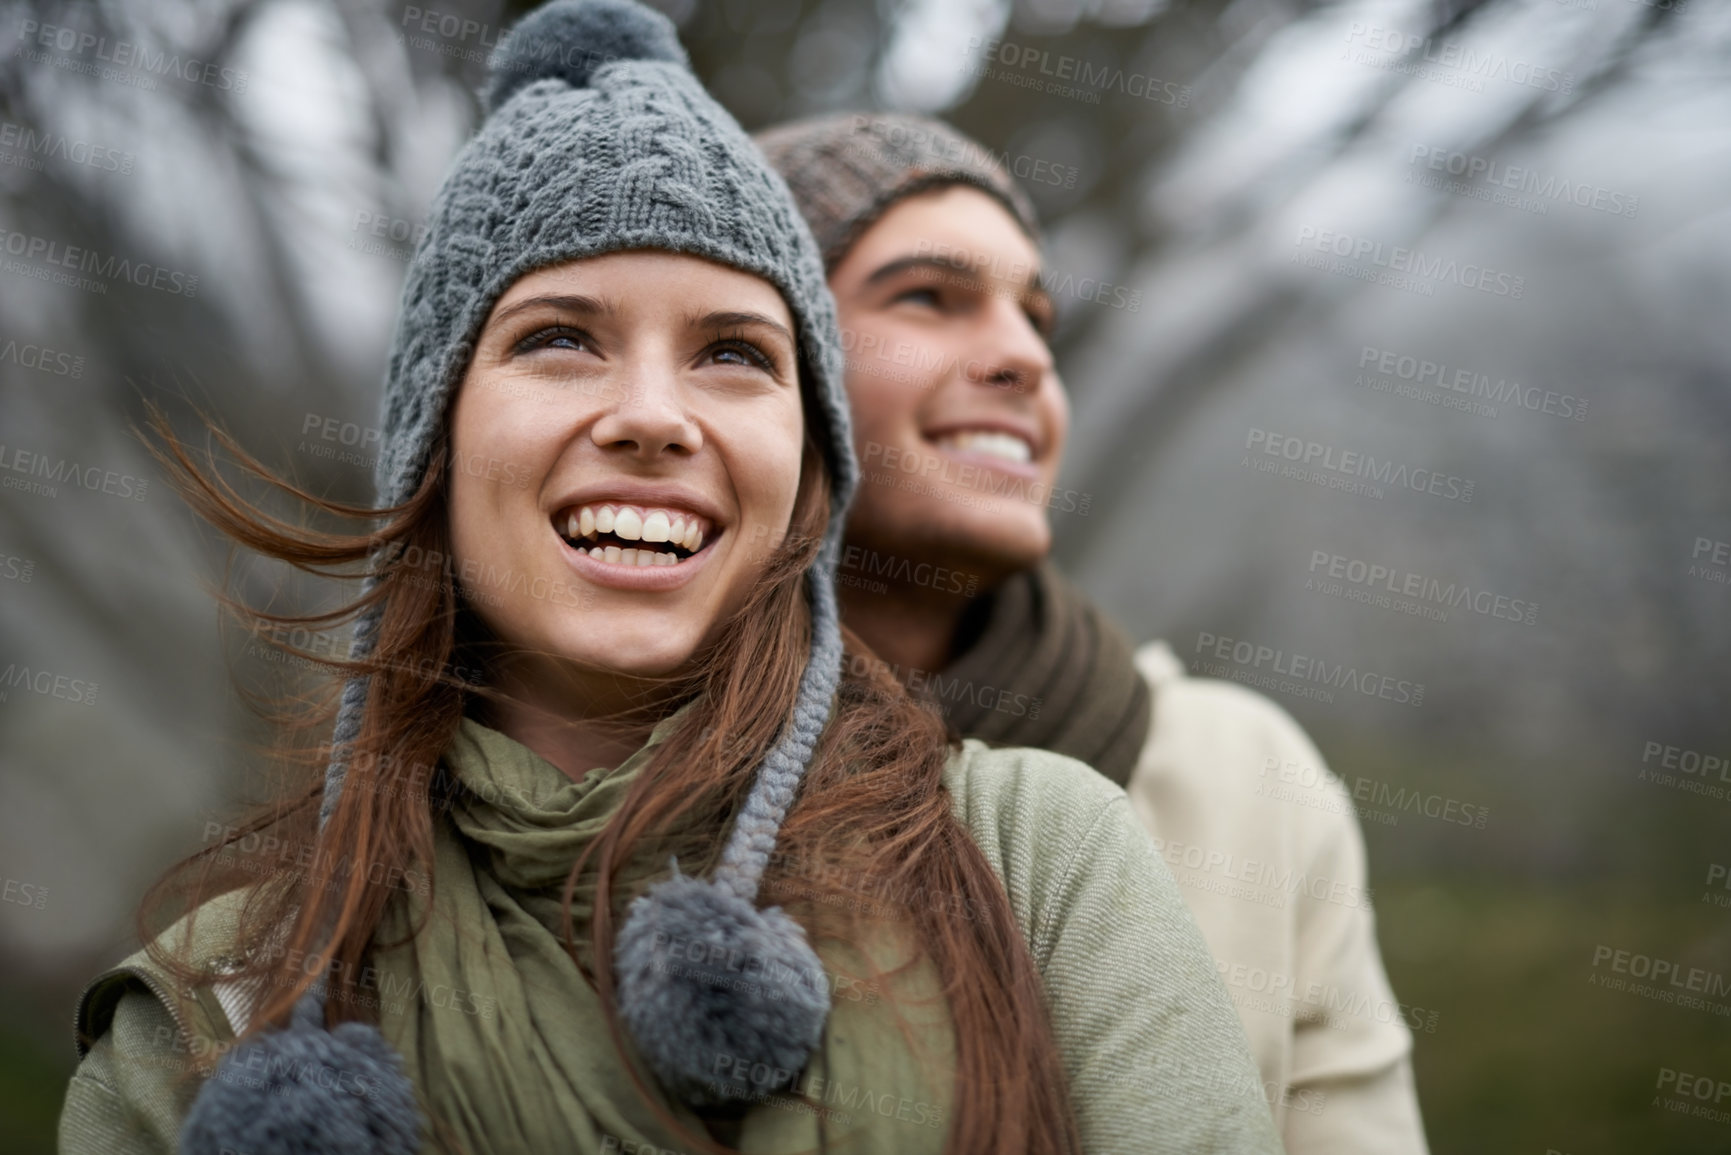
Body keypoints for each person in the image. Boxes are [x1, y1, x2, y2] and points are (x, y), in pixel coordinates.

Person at [57, 4, 1284, 1154]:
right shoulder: (211, 1016)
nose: (652, 416)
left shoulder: (1042, 860)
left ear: (808, 473)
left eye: (733, 354)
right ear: (436, 439)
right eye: (558, 338)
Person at [756, 112, 1431, 1154]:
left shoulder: (1246, 778)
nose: (1023, 357)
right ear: (760, 359)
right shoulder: (608, 758)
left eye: (1037, 317)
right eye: (930, 297)